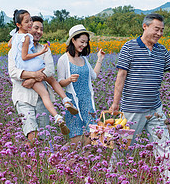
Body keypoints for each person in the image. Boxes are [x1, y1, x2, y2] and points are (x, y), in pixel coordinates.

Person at [109, 13, 170, 184]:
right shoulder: (129, 47)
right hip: (132, 109)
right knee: (121, 151)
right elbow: (121, 76)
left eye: (162, 30)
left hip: (155, 109)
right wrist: (115, 104)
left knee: (164, 148)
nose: (159, 33)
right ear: (145, 27)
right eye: (156, 29)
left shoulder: (161, 50)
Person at [9, 9, 78, 137]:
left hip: (41, 99)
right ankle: (63, 106)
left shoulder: (44, 49)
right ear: (27, 27)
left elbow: (50, 70)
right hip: (24, 97)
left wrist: (33, 79)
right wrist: (35, 75)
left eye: (41, 29)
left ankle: (62, 109)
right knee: (32, 134)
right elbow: (13, 72)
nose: (39, 32)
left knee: (44, 136)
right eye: (35, 27)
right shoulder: (16, 48)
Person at [57, 24, 106, 143]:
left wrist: (100, 59)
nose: (84, 45)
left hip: (87, 101)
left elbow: (94, 75)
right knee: (76, 137)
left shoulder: (84, 59)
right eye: (82, 41)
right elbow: (59, 83)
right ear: (73, 40)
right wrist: (69, 80)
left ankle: (87, 160)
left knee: (92, 136)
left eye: (86, 42)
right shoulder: (63, 59)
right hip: (73, 102)